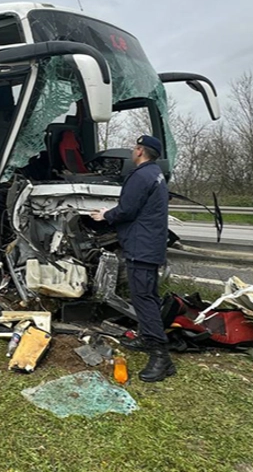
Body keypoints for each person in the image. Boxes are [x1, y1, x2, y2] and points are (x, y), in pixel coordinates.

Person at [92, 135, 174, 382]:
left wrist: (105, 216)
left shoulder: (140, 176)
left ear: (140, 151)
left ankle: (161, 357)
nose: (132, 151)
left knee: (144, 298)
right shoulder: (155, 174)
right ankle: (147, 336)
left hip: (142, 246)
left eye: (134, 148)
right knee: (147, 295)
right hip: (150, 243)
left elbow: (128, 209)